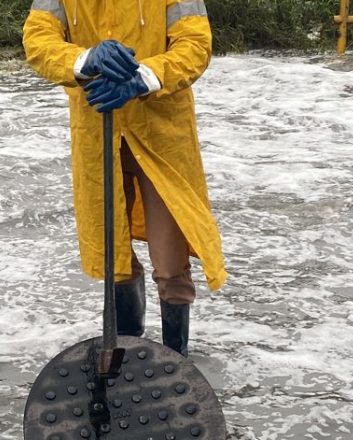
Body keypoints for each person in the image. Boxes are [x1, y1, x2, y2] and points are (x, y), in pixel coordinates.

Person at [23, 0, 227, 357]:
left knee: (170, 263)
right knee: (112, 254)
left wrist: (143, 77)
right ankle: (128, 358)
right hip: (97, 133)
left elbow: (195, 46)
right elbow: (38, 40)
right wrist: (84, 60)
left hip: (162, 135)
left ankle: (174, 362)